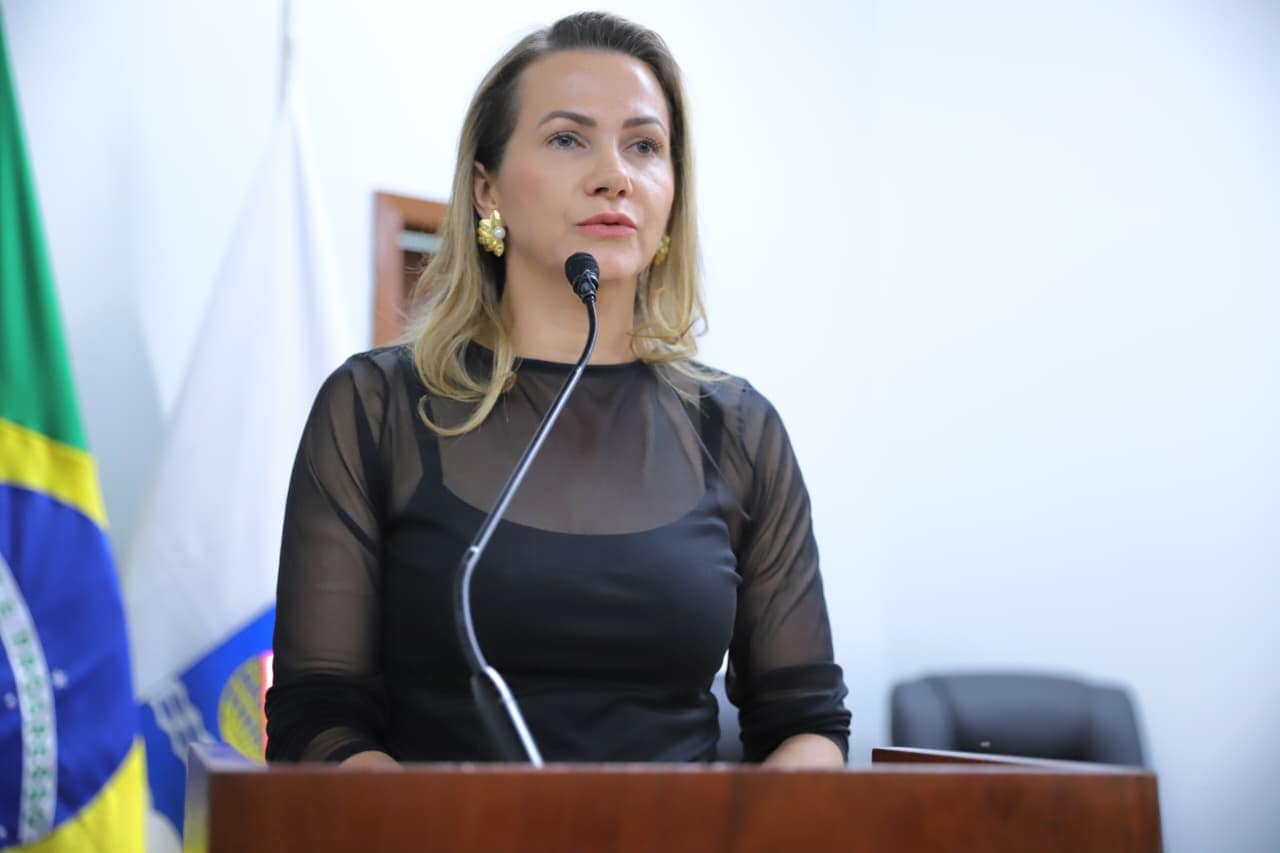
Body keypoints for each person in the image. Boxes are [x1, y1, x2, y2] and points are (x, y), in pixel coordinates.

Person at [264, 11, 850, 769]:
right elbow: (319, 720)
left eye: (645, 146)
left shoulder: (738, 428)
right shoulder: (375, 408)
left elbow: (806, 720)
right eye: (569, 138)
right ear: (487, 190)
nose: (615, 174)